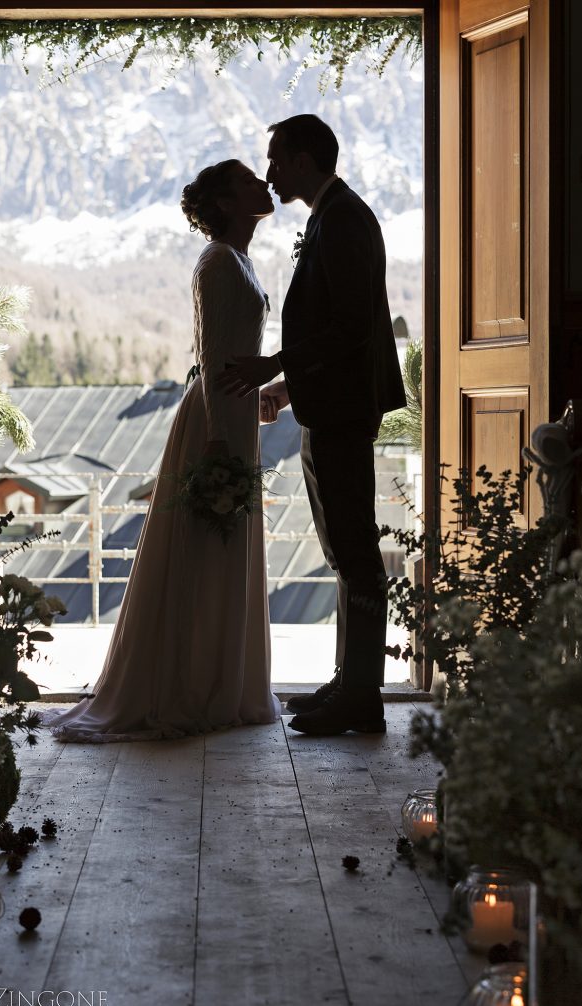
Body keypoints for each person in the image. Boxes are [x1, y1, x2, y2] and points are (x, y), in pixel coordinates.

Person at [44, 159, 280, 741]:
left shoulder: (239, 259)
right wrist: (221, 441)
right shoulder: (219, 262)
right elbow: (213, 355)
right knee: (206, 548)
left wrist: (253, 402)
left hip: (232, 414)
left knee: (221, 550)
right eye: (249, 181)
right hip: (216, 426)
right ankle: (194, 685)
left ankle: (221, 679)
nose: (263, 184)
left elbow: (228, 359)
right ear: (225, 203)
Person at [219, 115, 406, 737]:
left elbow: (351, 328)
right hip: (331, 402)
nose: (270, 172)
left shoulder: (344, 219)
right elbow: (336, 328)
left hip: (346, 409)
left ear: (302, 160)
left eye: (275, 159)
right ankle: (350, 681)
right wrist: (289, 384)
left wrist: (277, 362)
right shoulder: (332, 215)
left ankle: (361, 696)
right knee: (344, 548)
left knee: (354, 552)